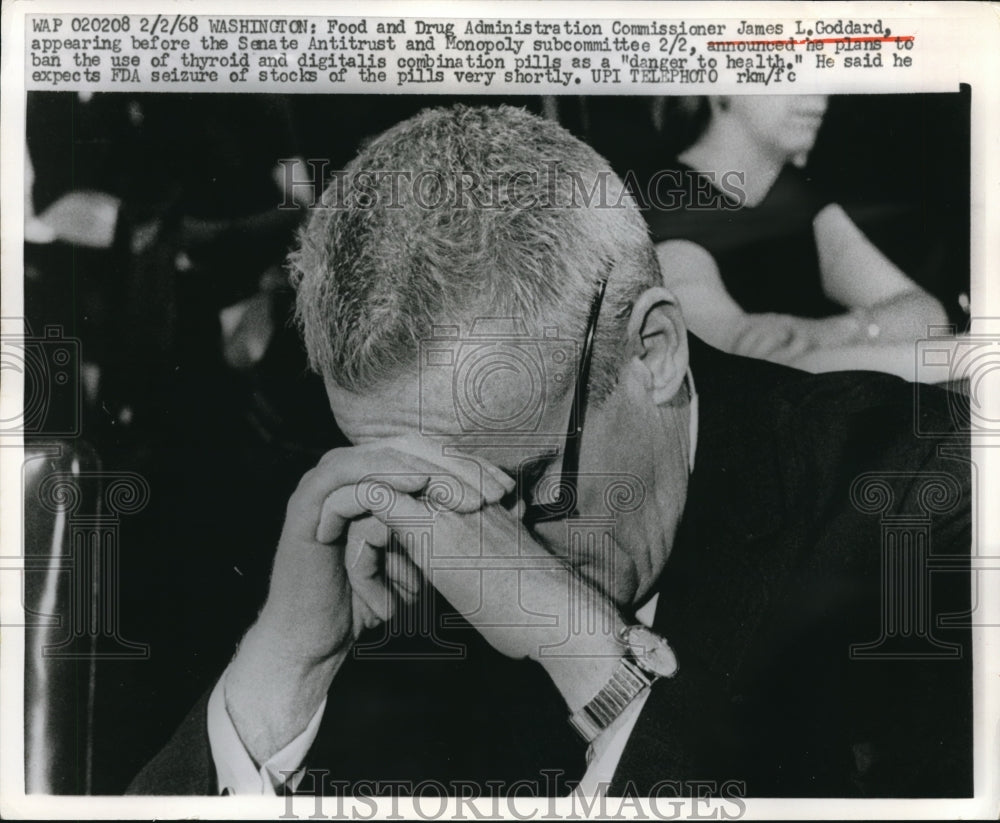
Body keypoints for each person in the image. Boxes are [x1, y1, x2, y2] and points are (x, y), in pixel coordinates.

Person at [129, 105, 971, 798]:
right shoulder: (378, 563)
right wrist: (286, 667)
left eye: (521, 483)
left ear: (653, 350)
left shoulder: (926, 498)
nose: (472, 552)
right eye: (416, 491)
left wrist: (594, 662)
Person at [635, 95, 949, 368]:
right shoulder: (664, 204)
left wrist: (832, 332)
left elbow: (927, 314)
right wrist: (866, 329)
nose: (818, 97)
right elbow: (743, 357)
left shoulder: (797, 200)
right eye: (789, 72)